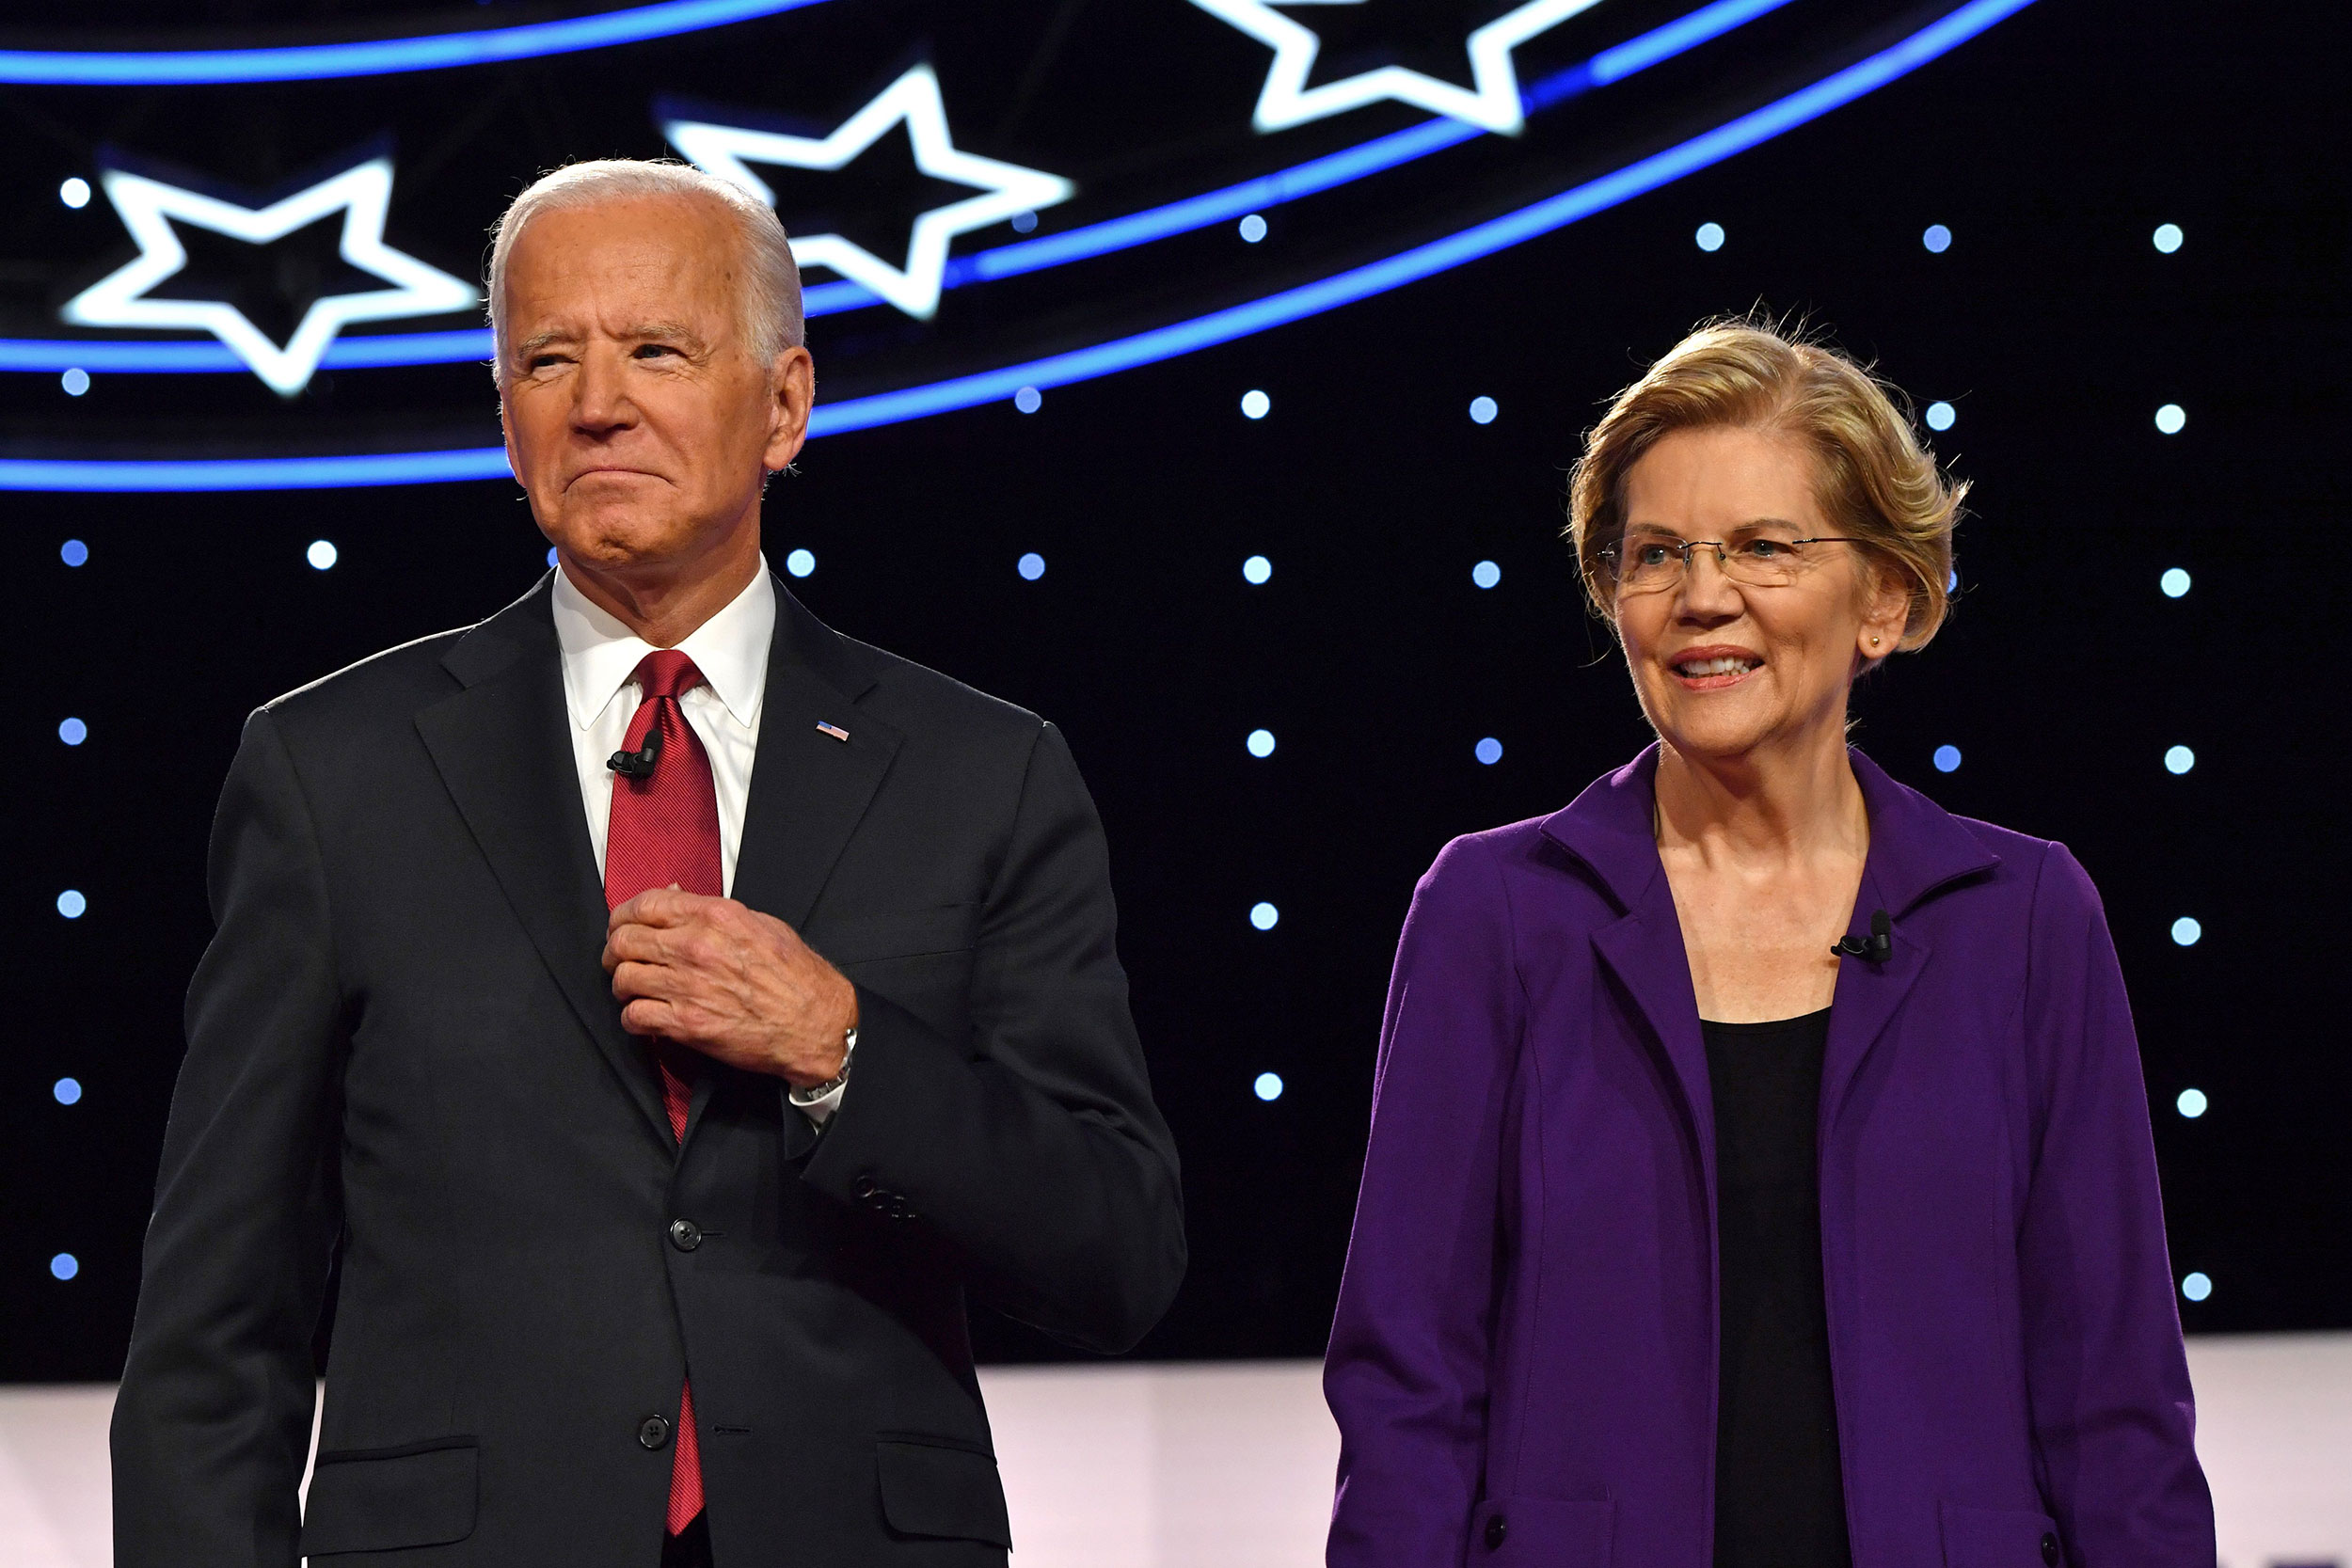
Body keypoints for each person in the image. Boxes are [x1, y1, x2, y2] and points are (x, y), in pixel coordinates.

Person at [109, 159, 1184, 1568]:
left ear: (785, 404)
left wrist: (846, 1051)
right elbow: (213, 1328)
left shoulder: (983, 772)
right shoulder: (333, 772)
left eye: (657, 351)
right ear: (506, 419)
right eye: (547, 359)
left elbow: (1117, 1251)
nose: (597, 402)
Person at [1323, 321, 2214, 1566]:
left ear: (1888, 602)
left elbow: (2113, 1400)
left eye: (1764, 547)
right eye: (1655, 555)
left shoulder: (2023, 917)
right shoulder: (1497, 912)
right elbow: (1407, 1386)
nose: (1701, 596)